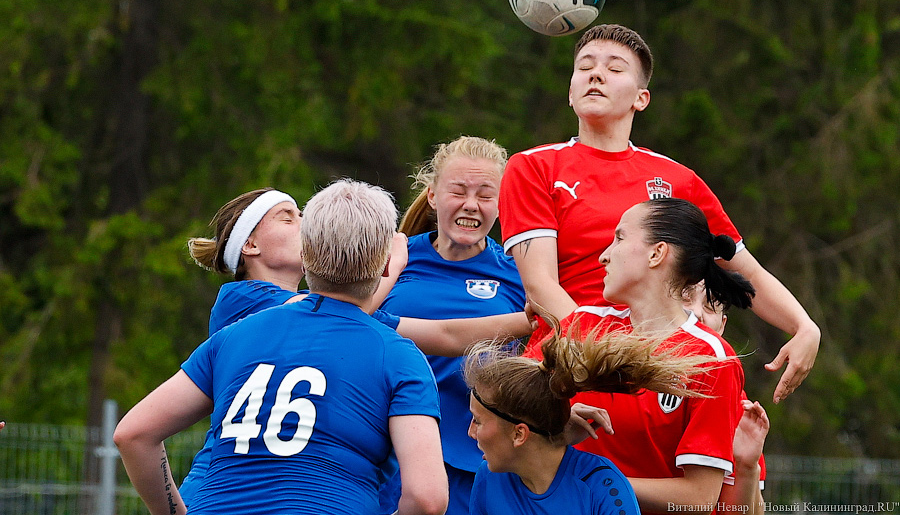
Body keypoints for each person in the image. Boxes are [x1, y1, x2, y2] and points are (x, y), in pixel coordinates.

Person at [499, 23, 820, 403]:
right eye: (585, 67)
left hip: (657, 368)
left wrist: (804, 326)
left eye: (615, 68)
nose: (596, 74)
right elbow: (540, 286)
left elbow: (743, 269)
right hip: (570, 370)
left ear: (641, 98)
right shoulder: (534, 167)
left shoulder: (677, 180)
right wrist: (611, 358)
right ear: (570, 91)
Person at [179, 187, 534, 505]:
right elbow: (348, 308)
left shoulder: (337, 316)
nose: (303, 222)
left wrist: (540, 318)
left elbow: (445, 336)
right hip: (219, 485)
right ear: (250, 246)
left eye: (303, 214)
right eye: (287, 217)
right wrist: (389, 265)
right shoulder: (241, 301)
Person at [114, 179, 448, 515]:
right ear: (389, 265)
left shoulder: (234, 336)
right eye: (288, 217)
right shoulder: (398, 355)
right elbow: (426, 499)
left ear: (307, 258)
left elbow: (133, 434)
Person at [527, 198, 755, 515]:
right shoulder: (582, 325)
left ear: (656, 253)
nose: (604, 255)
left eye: (619, 238)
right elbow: (502, 402)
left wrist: (595, 480)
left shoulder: (710, 358)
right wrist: (551, 419)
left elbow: (699, 498)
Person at [379, 136, 527, 515]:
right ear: (432, 195)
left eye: (485, 194)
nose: (471, 205)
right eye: (458, 191)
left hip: (476, 462)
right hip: (387, 454)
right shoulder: (395, 256)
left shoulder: (519, 272)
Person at [464, 326, 712, 515]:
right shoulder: (489, 477)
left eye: (478, 421)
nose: (470, 433)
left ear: (519, 434)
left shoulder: (605, 488)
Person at [684, 283, 769, 515]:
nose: (697, 313)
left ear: (722, 326)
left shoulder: (738, 405)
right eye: (685, 298)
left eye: (710, 306)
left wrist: (747, 467)